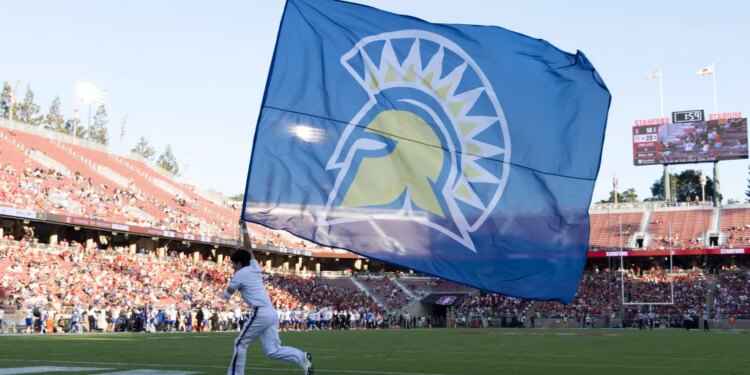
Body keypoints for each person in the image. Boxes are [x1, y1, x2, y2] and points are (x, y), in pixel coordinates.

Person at [223, 221, 313, 375]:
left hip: (260, 312)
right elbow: (248, 248)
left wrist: (231, 283)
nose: (232, 266)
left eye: (233, 264)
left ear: (238, 263)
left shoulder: (239, 274)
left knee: (240, 343)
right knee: (273, 350)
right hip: (270, 312)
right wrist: (244, 228)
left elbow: (226, 295)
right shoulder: (255, 267)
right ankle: (302, 358)